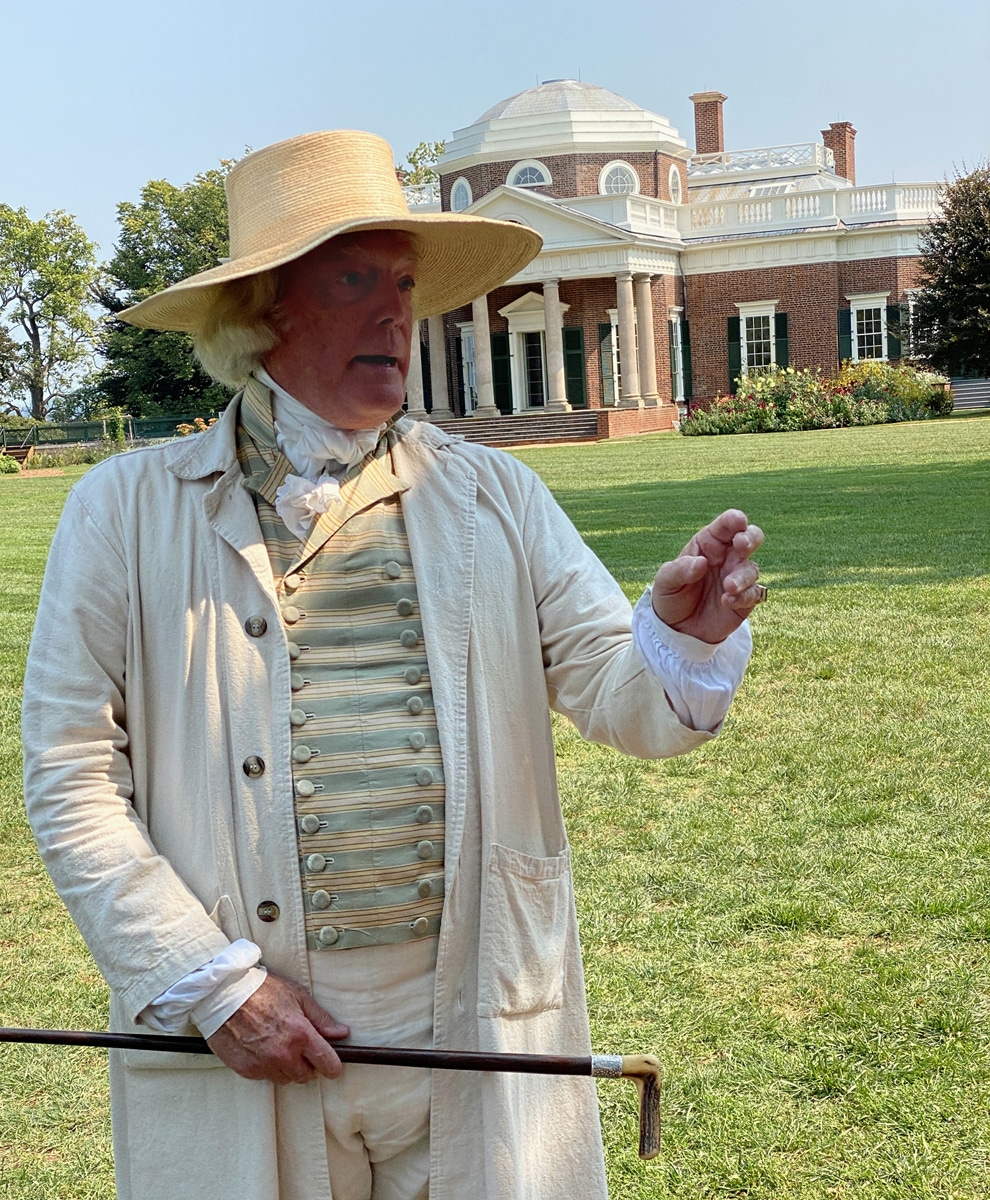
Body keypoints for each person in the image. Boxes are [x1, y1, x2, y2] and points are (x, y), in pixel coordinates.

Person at [21, 130, 765, 1200]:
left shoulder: (495, 496)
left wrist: (680, 640)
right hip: (242, 1039)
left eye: (405, 284)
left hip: (467, 1019)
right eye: (356, 279)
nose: (395, 313)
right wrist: (210, 985)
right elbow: (70, 771)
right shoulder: (121, 512)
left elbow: (625, 697)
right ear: (264, 309)